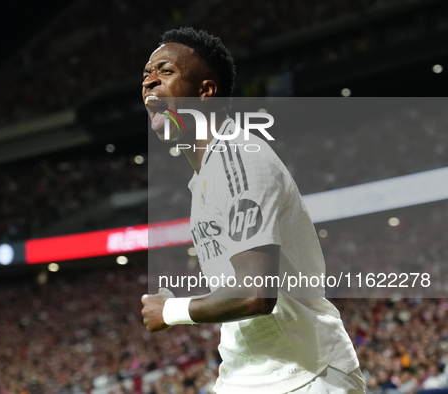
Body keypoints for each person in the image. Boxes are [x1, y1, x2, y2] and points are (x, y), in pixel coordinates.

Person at [140, 27, 365, 393]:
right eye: (146, 75)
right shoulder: (207, 175)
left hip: (304, 375)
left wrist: (170, 311)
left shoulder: (238, 157)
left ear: (206, 91)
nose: (149, 82)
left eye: (165, 72)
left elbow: (254, 293)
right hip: (250, 374)